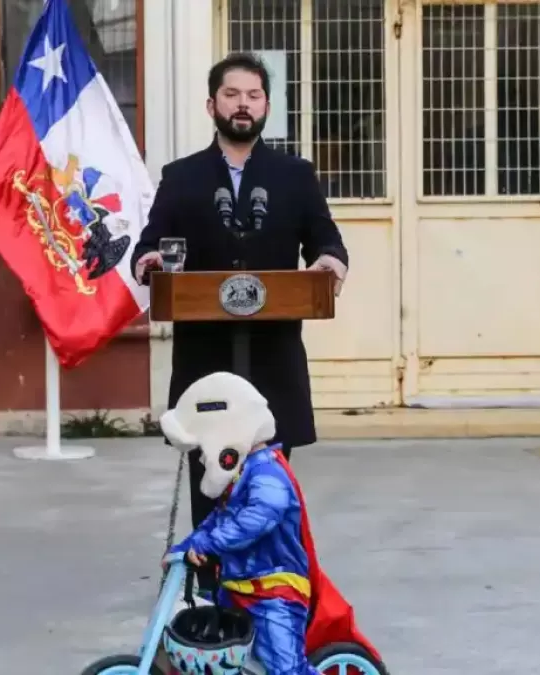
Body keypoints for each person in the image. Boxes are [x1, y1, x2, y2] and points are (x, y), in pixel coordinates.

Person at [131, 52, 348, 593]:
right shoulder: (181, 178)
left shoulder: (295, 176)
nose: (243, 105)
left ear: (267, 106)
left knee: (267, 490)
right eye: (232, 95)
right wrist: (150, 262)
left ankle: (274, 598)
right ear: (212, 104)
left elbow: (327, 241)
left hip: (272, 364)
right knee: (212, 486)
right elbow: (148, 245)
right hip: (206, 364)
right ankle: (211, 606)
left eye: (253, 96)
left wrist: (330, 264)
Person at [159, 372, 380, 675]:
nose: (201, 459)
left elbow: (256, 520)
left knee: (285, 668)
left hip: (273, 593)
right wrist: (186, 547)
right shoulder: (242, 476)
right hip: (238, 587)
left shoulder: (268, 476)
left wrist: (208, 543)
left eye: (202, 449)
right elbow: (218, 519)